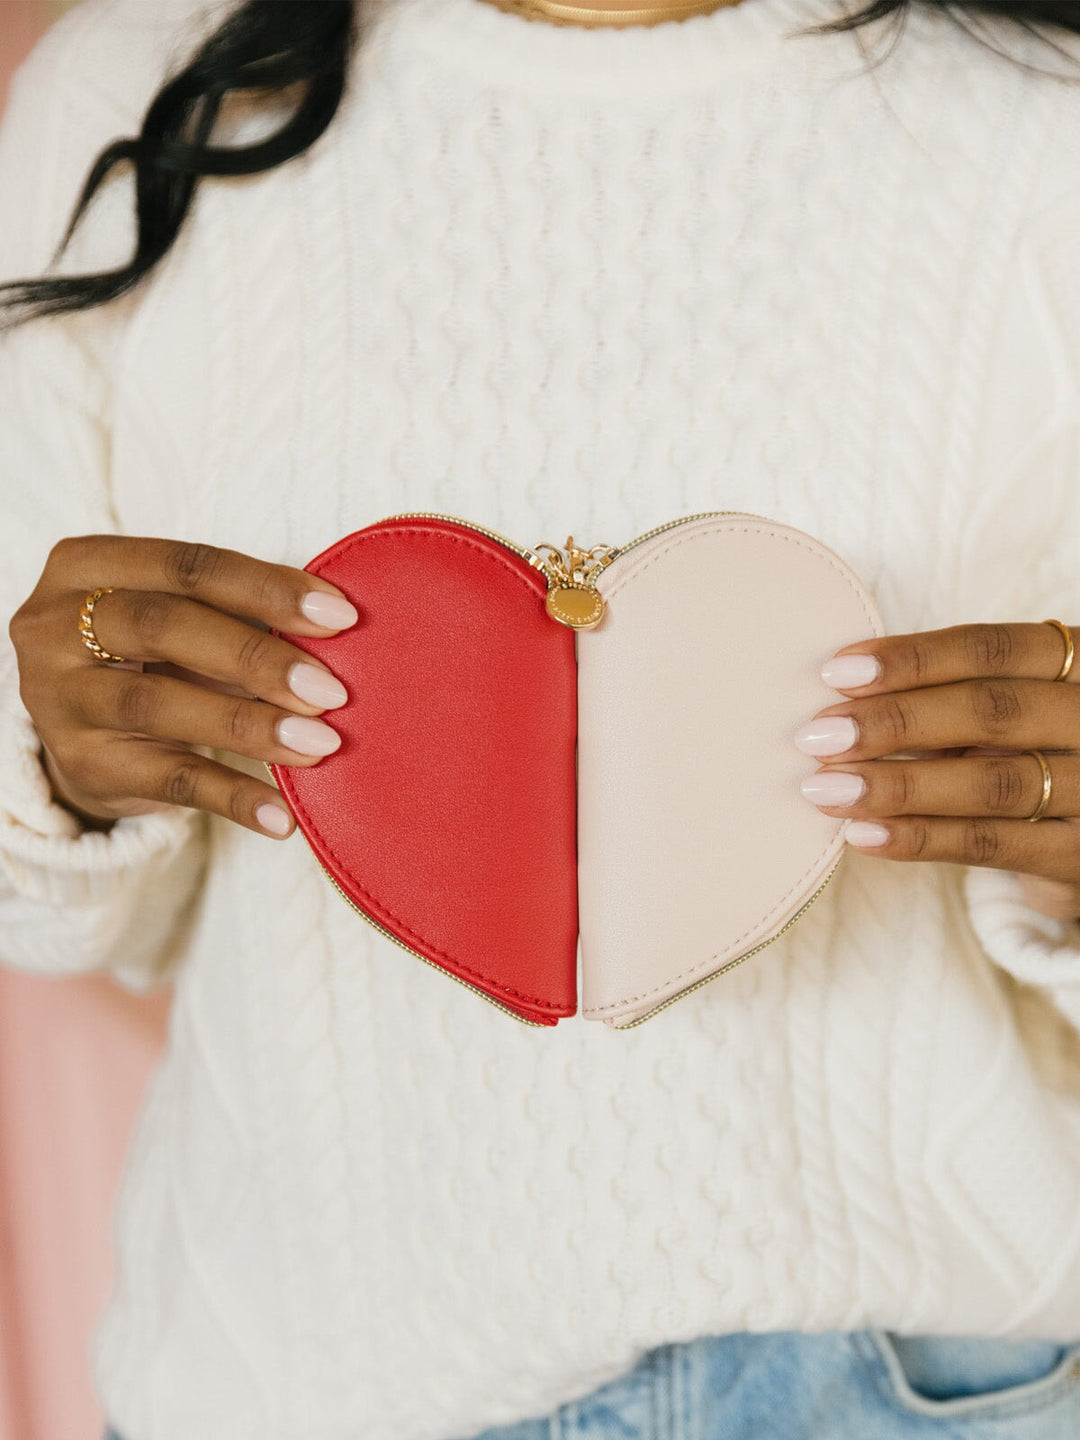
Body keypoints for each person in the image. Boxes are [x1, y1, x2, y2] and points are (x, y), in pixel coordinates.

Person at [3, 0, 1080, 1435]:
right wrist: (51, 754)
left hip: (951, 1380)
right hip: (306, 1379)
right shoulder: (141, 94)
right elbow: (60, 929)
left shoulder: (1045, 124)